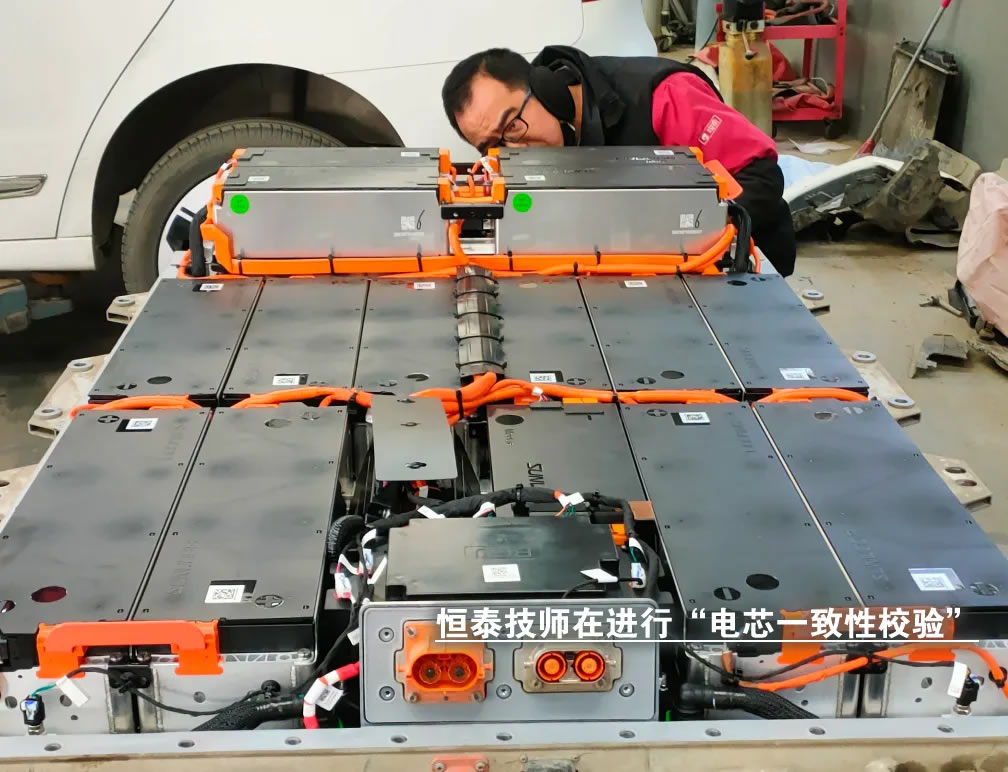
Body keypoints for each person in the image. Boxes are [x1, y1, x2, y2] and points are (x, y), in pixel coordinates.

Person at [441, 46, 796, 276]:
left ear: (544, 87)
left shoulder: (663, 96)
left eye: (512, 125)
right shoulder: (528, 146)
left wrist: (680, 235)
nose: (515, 148)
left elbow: (761, 176)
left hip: (732, 266)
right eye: (494, 145)